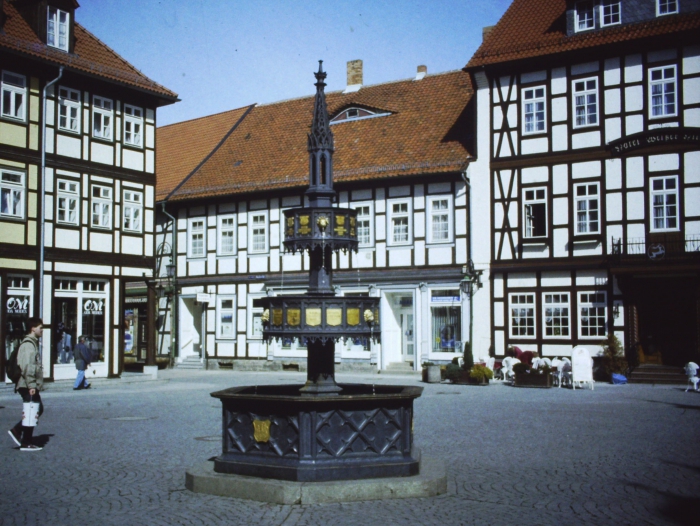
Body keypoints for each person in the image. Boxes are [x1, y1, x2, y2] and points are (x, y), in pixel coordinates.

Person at [8, 317, 45, 451]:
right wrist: (31, 385)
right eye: (40, 328)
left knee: (36, 409)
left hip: (27, 384)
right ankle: (24, 439)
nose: (42, 330)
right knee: (33, 410)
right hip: (26, 384)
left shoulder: (32, 343)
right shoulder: (28, 345)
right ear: (33, 328)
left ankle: (20, 434)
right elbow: (27, 366)